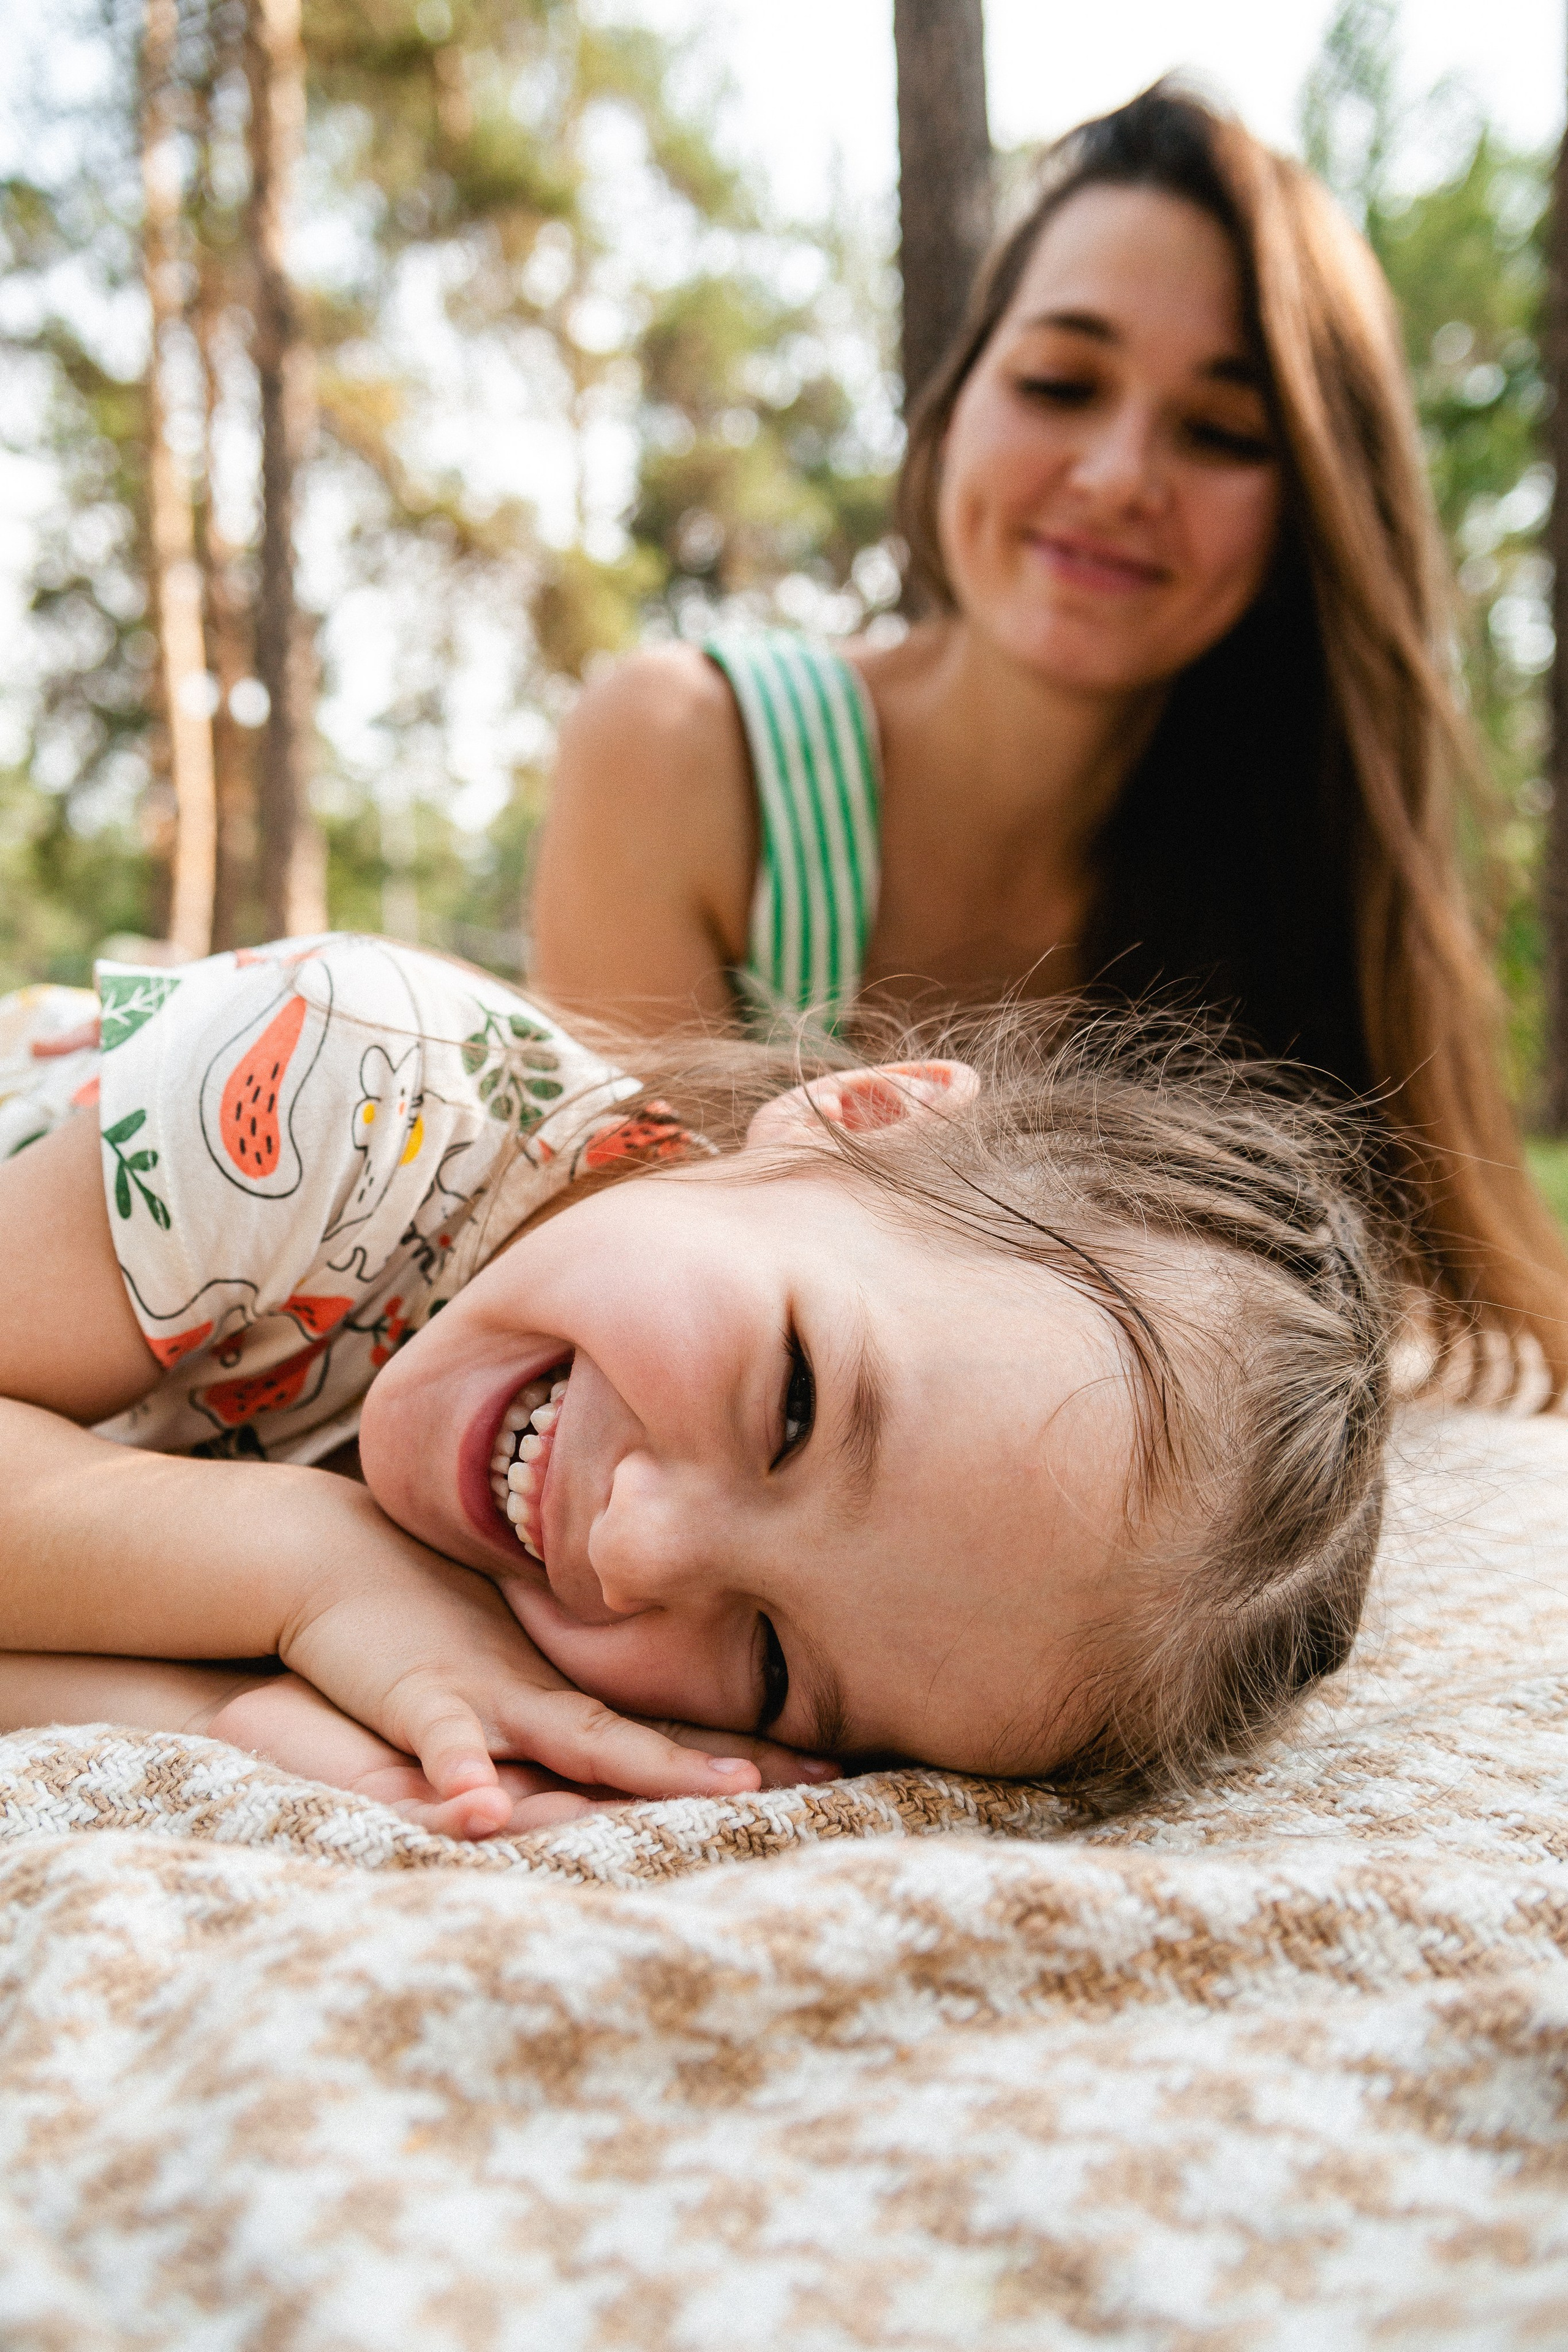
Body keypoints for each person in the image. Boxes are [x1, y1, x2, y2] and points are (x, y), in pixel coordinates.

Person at [532, 80, 1568, 1395]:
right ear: (957, 397)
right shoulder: (685, 756)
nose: (1119, 473)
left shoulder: (1301, 881)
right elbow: (607, 1336)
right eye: (1059, 381)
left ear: (1309, 510)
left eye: (1219, 430)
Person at [0, 933, 1396, 1836]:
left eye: (776, 1666)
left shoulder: (555, 1665)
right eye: (791, 1406)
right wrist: (309, 1565)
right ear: (861, 1121)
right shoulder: (348, 1083)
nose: (632, 1547)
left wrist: (216, 1718)